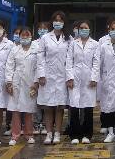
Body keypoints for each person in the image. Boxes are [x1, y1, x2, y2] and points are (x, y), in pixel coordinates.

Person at [37, 11, 70, 145]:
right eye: (56, 20)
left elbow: (70, 59)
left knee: (59, 107)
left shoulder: (68, 38)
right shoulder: (45, 38)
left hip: (62, 76)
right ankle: (49, 133)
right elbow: (40, 57)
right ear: (52, 22)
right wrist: (41, 75)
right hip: (48, 77)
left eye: (60, 20)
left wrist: (69, 77)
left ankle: (57, 134)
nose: (58, 22)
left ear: (64, 23)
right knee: (48, 107)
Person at [66, 20, 100, 145]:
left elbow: (96, 62)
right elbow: (69, 61)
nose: (83, 30)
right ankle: (74, 134)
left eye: (85, 28)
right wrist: (69, 78)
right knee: (74, 107)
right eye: (81, 28)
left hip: (89, 79)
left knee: (88, 108)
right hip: (75, 78)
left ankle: (87, 134)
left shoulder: (95, 44)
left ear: (89, 29)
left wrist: (94, 78)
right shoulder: (73, 43)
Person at [5, 27, 39, 146]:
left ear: (31, 36)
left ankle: (29, 134)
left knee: (29, 110)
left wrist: (36, 83)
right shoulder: (14, 49)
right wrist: (9, 83)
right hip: (17, 82)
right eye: (22, 35)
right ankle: (15, 135)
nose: (24, 37)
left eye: (27, 35)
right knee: (16, 110)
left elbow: (38, 67)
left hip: (30, 82)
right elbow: (9, 66)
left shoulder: (36, 49)